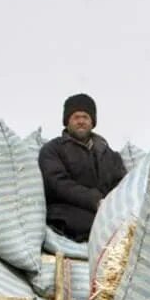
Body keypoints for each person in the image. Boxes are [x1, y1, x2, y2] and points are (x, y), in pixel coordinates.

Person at [39, 93, 126, 243]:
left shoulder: (111, 156)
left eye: (85, 117)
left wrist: (111, 205)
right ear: (67, 122)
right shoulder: (53, 150)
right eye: (76, 117)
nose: (81, 121)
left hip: (107, 214)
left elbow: (122, 185)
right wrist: (95, 200)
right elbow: (57, 183)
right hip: (66, 213)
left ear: (92, 122)